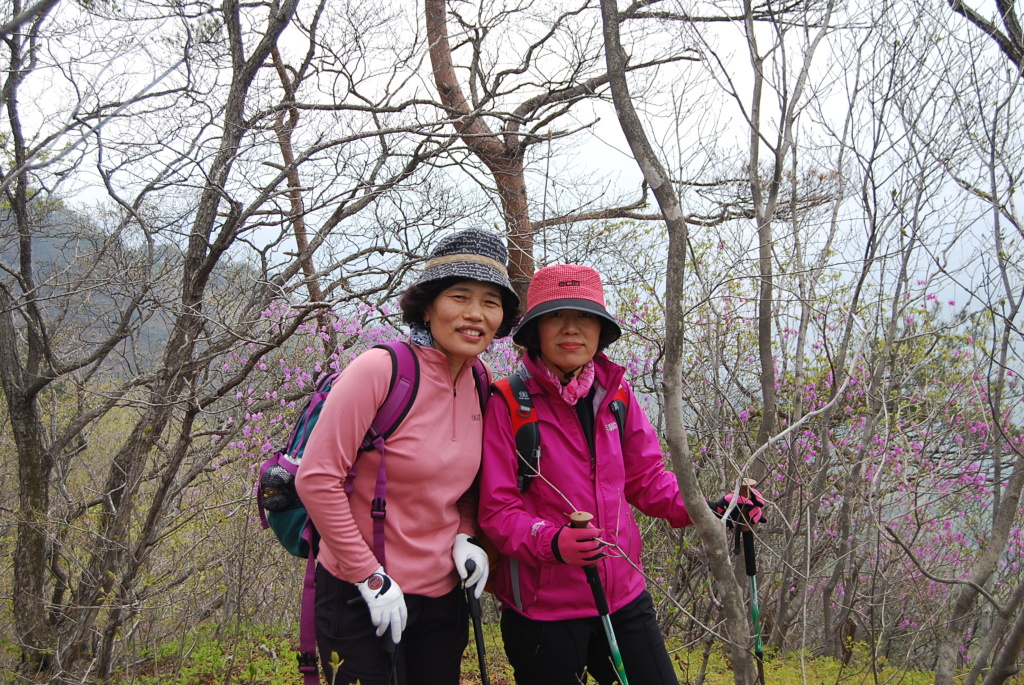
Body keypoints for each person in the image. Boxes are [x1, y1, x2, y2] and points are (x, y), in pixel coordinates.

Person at [478, 264, 764, 685]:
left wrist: (715, 510)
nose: (571, 328)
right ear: (536, 329)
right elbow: (497, 511)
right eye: (556, 316)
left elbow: (649, 482)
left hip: (624, 595)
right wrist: (553, 541)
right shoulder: (508, 403)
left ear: (600, 330)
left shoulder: (616, 396)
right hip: (542, 610)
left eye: (585, 316)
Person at [295, 228, 520, 685]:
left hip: (441, 598)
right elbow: (317, 479)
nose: (475, 314)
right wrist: (369, 577)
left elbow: (468, 485)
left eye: (491, 302)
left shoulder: (480, 381)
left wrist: (465, 534)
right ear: (429, 304)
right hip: (362, 595)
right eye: (460, 296)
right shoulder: (381, 371)